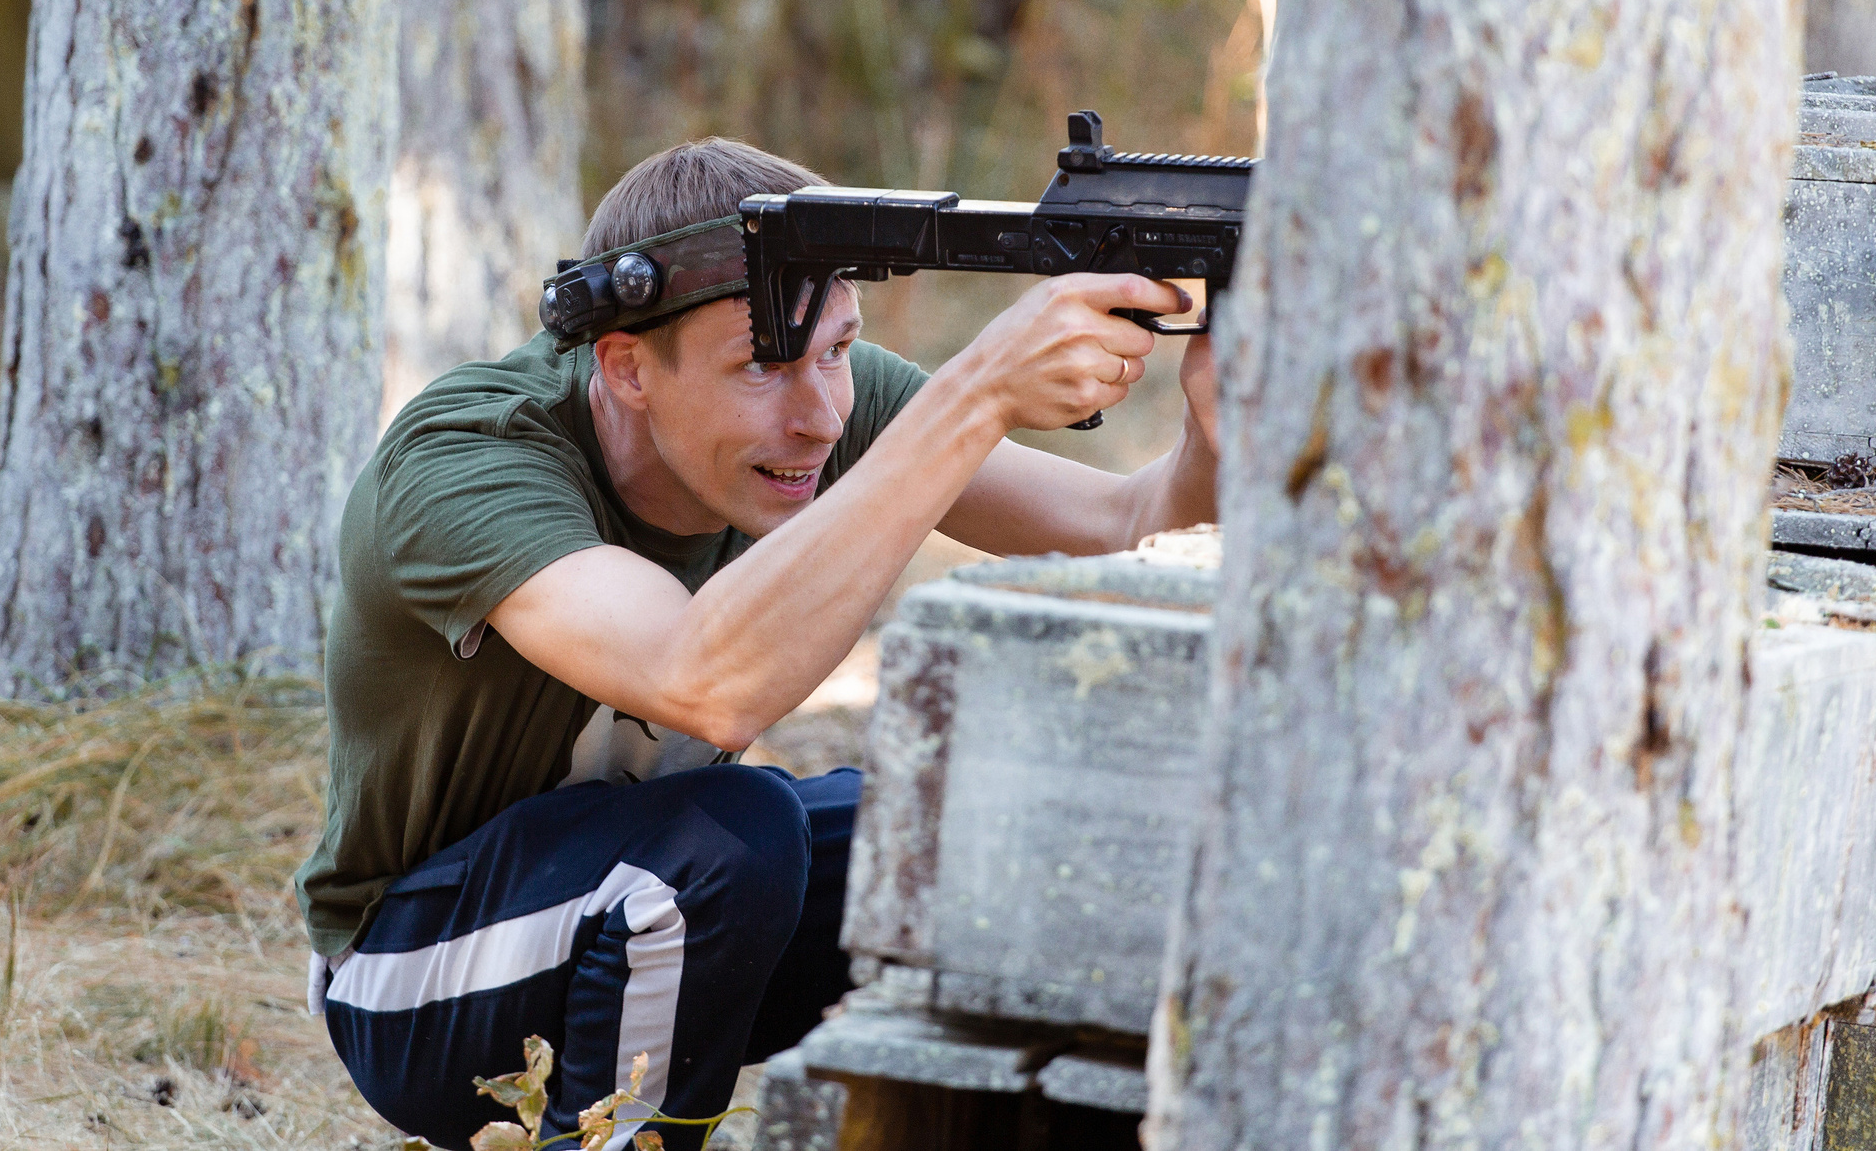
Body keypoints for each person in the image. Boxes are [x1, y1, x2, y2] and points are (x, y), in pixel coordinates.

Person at [296, 137, 1221, 1150]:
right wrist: (976, 390)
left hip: (634, 905)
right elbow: (703, 681)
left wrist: (1219, 430)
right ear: (626, 365)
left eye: (835, 350)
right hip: (414, 976)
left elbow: (1128, 523)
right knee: (730, 839)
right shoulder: (468, 457)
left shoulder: (822, 398)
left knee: (956, 833)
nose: (819, 412)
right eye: (762, 365)